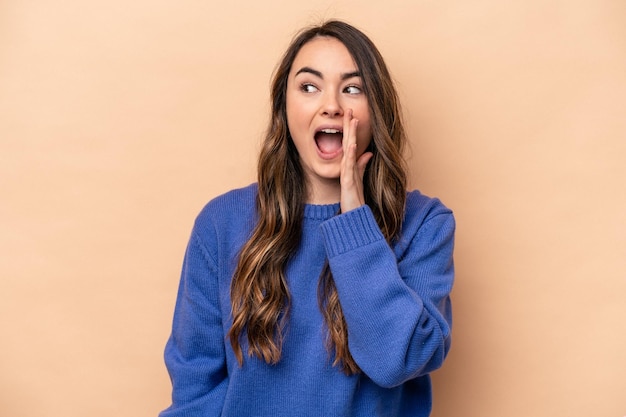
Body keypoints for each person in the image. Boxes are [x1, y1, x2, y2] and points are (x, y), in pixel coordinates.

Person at [159, 20, 455, 417]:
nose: (331, 105)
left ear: (377, 110)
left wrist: (354, 215)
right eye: (309, 87)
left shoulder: (425, 225)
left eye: (353, 88)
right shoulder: (220, 223)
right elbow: (196, 390)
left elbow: (396, 360)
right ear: (285, 107)